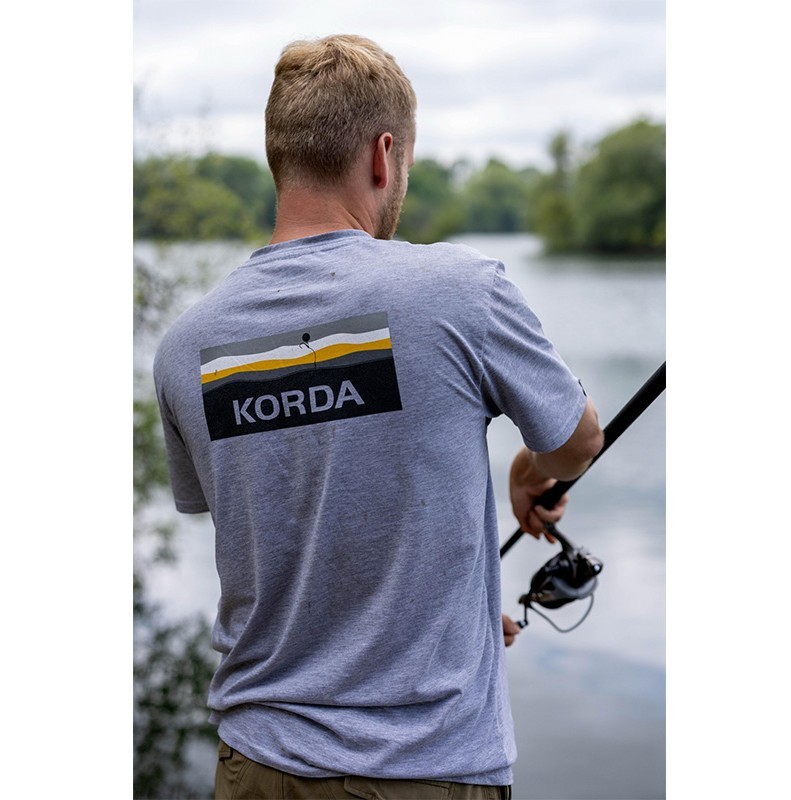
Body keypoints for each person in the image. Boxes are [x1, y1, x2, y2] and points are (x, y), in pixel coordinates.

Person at [153, 34, 603, 800]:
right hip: (421, 770)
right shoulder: (460, 292)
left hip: (252, 768)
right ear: (383, 156)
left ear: (279, 157)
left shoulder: (185, 349)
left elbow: (274, 528)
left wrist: (447, 617)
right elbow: (579, 442)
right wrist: (532, 471)